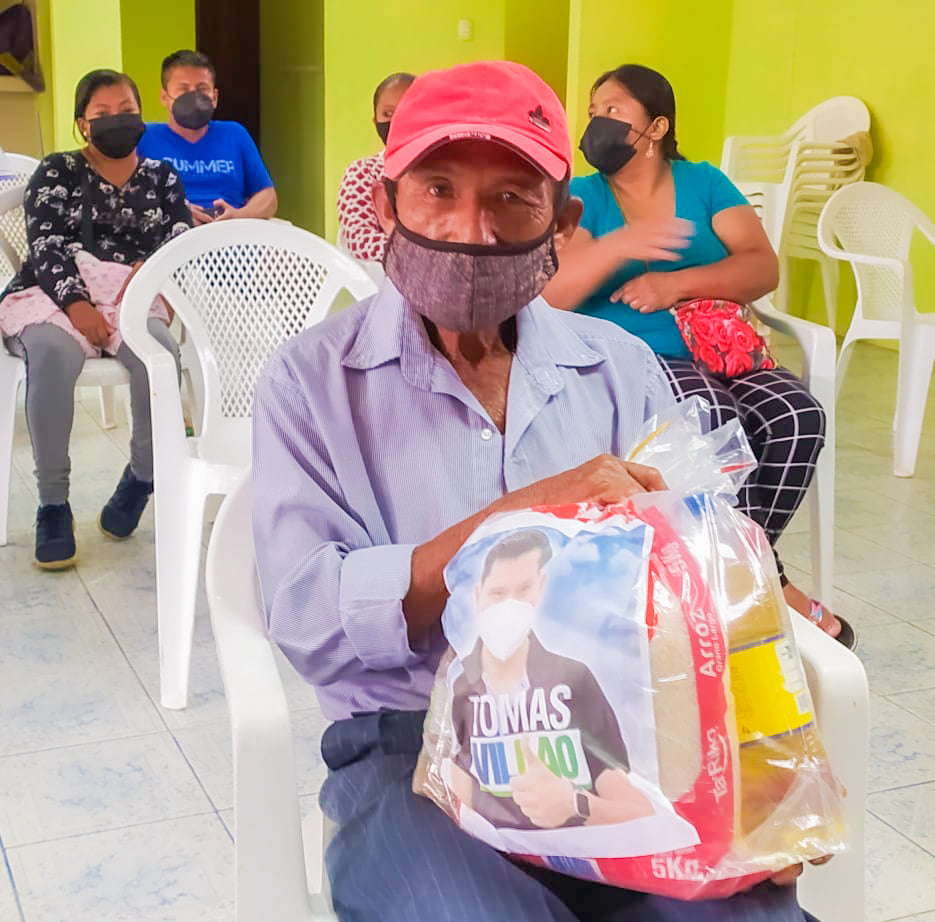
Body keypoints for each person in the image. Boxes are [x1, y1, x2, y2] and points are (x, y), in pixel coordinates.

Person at [252, 60, 825, 922]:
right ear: (386, 207)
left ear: (561, 223)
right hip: (410, 749)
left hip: (622, 733)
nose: (470, 231)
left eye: (511, 199)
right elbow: (310, 622)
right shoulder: (311, 383)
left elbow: (704, 592)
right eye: (437, 190)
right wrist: (516, 523)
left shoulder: (620, 368)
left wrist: (764, 777)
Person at [543, 64, 854, 649]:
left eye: (613, 110)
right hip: (644, 356)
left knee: (798, 416)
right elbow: (554, 294)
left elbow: (761, 267)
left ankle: (739, 578)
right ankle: (769, 584)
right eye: (592, 112)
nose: (597, 123)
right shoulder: (584, 196)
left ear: (656, 126)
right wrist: (619, 247)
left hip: (725, 346)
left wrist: (674, 284)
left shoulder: (705, 182)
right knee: (711, 420)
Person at [0, 68, 189, 569]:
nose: (117, 120)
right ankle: (53, 504)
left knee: (159, 357)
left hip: (133, 295)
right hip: (54, 294)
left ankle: (141, 478)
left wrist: (150, 274)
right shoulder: (58, 170)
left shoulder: (163, 176)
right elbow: (45, 244)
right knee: (51, 354)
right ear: (82, 124)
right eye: (102, 113)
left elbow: (179, 239)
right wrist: (77, 304)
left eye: (126, 109)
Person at [449, 529, 653, 831]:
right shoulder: (458, 688)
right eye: (498, 594)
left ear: (540, 589)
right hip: (483, 852)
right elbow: (453, 801)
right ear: (478, 596)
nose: (510, 607)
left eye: (523, 590)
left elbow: (640, 813)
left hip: (575, 854)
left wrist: (575, 805)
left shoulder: (574, 682)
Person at [137, 49, 277, 225]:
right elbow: (128, 198)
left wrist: (239, 215)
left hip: (230, 232)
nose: (193, 96)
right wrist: (175, 212)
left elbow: (268, 197)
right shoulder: (144, 137)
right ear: (164, 97)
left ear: (214, 97)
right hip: (171, 234)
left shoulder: (234, 134)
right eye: (183, 89)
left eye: (202, 89)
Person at [336, 71, 415, 262]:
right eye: (387, 114)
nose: (396, 120)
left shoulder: (444, 173)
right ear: (375, 121)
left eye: (406, 110)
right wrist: (422, 256)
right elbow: (359, 241)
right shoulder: (362, 173)